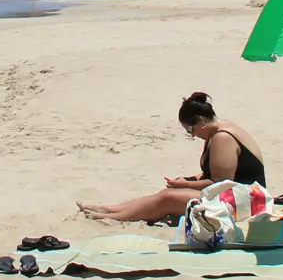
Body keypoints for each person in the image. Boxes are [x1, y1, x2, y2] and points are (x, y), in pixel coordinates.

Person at [77, 93, 267, 223]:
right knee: (165, 194)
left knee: (169, 198)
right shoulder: (216, 133)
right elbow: (214, 176)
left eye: (190, 129)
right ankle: (111, 208)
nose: (192, 135)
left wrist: (185, 185)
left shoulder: (223, 137)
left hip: (245, 202)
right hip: (235, 195)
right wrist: (187, 181)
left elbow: (222, 182)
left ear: (200, 121)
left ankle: (114, 218)